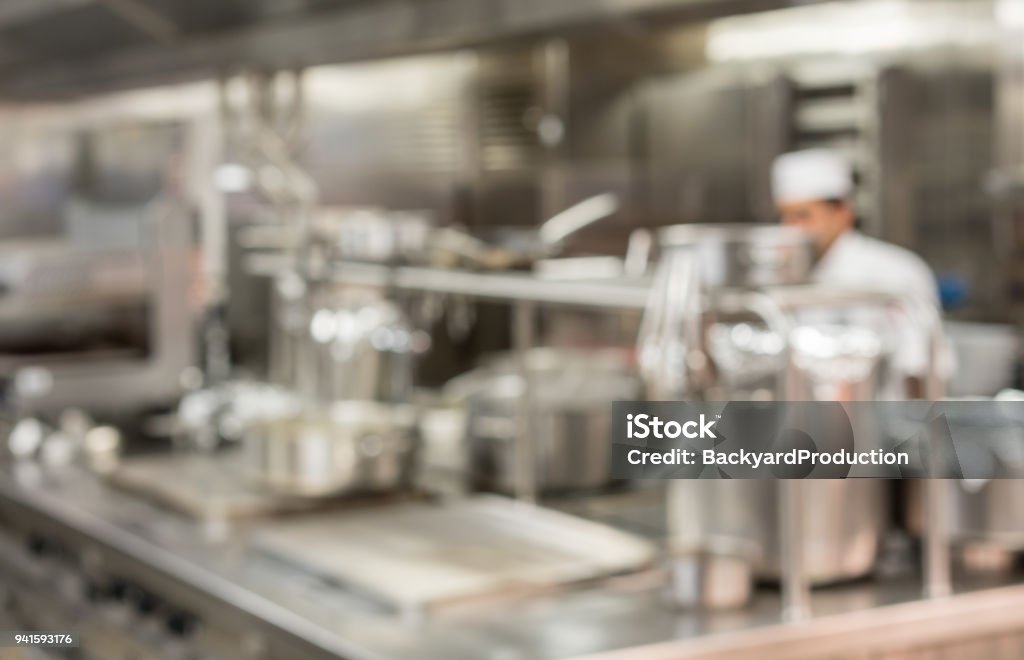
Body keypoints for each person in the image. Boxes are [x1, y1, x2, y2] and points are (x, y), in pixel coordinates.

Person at [771, 148, 950, 397]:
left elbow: (920, 367)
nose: (792, 229)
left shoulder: (896, 271)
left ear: (843, 212)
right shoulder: (784, 276)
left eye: (803, 216)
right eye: (786, 217)